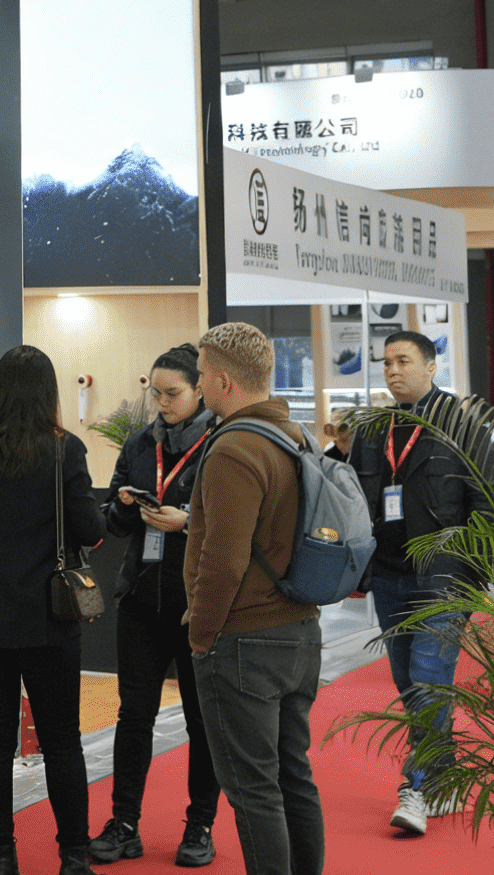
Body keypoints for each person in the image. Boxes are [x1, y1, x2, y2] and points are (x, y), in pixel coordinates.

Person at [0, 345, 106, 875]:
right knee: (61, 739)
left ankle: (2, 857)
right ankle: (73, 856)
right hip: (46, 613)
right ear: (49, 392)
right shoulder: (63, 450)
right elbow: (90, 529)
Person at [185, 322, 324, 875]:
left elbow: (223, 559)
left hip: (244, 640)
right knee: (294, 775)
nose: (198, 384)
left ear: (223, 380)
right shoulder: (298, 437)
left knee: (253, 788)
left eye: (201, 375)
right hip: (300, 630)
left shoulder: (234, 449)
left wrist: (201, 635)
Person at [349, 330, 488, 836]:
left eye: (403, 361)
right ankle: (446, 775)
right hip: (389, 576)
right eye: (386, 362)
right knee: (410, 682)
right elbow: (353, 500)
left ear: (431, 367)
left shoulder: (463, 423)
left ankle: (419, 788)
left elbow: (485, 504)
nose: (392, 371)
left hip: (444, 576)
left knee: (428, 678)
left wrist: (474, 579)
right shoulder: (372, 429)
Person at [91, 346, 220, 867]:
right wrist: (125, 506)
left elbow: (237, 522)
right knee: (133, 716)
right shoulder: (141, 443)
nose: (163, 403)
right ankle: (124, 823)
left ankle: (200, 825)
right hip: (142, 600)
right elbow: (110, 521)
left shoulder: (222, 442)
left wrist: (187, 522)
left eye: (173, 393)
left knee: (201, 721)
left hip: (198, 603)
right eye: (157, 393)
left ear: (200, 390)